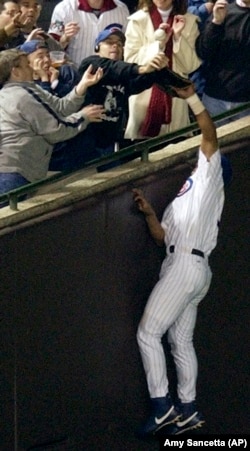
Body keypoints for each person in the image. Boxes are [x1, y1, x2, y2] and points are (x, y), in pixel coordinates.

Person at [132, 83, 232, 436]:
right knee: (180, 341)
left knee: (148, 333)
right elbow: (164, 239)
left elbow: (210, 135)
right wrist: (148, 215)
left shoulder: (209, 179)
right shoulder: (187, 197)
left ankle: (162, 407)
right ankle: (188, 408)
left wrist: (192, 98)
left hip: (187, 267)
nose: (200, 159)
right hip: (190, 266)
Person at [76, 24, 191, 166]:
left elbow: (145, 78)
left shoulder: (124, 75)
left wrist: (178, 84)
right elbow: (112, 67)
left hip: (108, 144)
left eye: (119, 44)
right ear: (97, 47)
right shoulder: (90, 64)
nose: (115, 46)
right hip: (83, 141)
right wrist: (141, 68)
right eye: (109, 42)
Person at [0, 48, 105, 202]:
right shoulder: (22, 96)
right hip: (15, 173)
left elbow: (60, 107)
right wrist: (83, 117)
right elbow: (56, 130)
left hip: (15, 171)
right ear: (15, 72)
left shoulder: (26, 90)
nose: (31, 68)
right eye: (27, 65)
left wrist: (82, 85)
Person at [123, 0, 201, 139]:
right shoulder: (137, 20)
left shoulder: (189, 20)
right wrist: (158, 45)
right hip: (143, 97)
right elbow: (130, 61)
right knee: (143, 154)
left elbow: (191, 66)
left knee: (177, 154)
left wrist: (177, 38)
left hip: (176, 100)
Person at [195, 0, 250, 120]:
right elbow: (203, 51)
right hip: (215, 98)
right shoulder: (223, 11)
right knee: (213, 138)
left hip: (246, 102)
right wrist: (216, 23)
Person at [48, 0, 130, 67]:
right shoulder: (64, 8)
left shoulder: (122, 9)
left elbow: (128, 46)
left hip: (111, 75)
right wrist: (65, 39)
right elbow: (50, 50)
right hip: (76, 75)